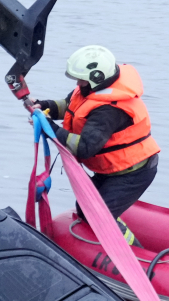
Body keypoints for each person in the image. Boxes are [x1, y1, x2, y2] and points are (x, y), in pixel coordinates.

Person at [36, 46, 161, 245]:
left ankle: (136, 257)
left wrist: (50, 128)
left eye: (81, 79)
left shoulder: (108, 110)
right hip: (112, 168)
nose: (78, 83)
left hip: (133, 172)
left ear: (97, 77)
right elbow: (69, 107)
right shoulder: (90, 90)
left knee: (100, 217)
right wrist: (44, 106)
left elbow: (85, 147)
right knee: (85, 209)